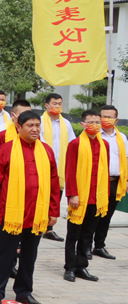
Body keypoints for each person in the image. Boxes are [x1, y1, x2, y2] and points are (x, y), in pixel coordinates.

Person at [0, 110, 58, 304]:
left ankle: (24, 292)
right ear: (19, 127)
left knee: (29, 254)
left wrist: (53, 211)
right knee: (4, 254)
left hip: (37, 213)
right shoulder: (6, 150)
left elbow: (53, 182)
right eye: (30, 125)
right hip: (9, 213)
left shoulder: (46, 150)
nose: (35, 129)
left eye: (37, 125)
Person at [62, 110, 109, 282]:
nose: (95, 125)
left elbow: (104, 170)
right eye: (91, 122)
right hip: (80, 197)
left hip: (97, 197)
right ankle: (69, 267)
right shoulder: (75, 144)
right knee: (73, 234)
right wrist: (72, 194)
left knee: (88, 234)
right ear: (82, 124)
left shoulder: (105, 145)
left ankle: (82, 266)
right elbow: (70, 171)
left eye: (98, 122)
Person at [93, 105, 126, 260]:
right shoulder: (95, 136)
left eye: (109, 117)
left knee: (107, 216)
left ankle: (99, 245)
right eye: (103, 116)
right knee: (94, 214)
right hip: (98, 182)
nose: (106, 120)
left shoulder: (122, 138)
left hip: (114, 181)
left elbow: (125, 159)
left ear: (116, 120)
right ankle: (85, 247)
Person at [41, 93, 75, 242]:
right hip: (42, 164)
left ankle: (49, 228)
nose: (58, 106)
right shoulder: (40, 122)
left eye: (60, 104)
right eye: (55, 103)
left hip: (60, 167)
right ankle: (38, 223)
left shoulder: (66, 123)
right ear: (47, 106)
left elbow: (72, 143)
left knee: (55, 196)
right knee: (41, 195)